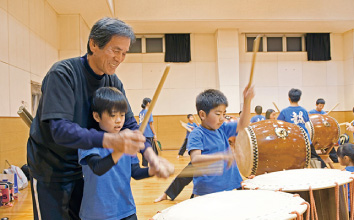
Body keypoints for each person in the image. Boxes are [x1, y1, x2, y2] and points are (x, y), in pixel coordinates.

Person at [26, 17, 173, 220]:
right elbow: (60, 131)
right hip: (51, 170)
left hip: (84, 169)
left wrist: (150, 156)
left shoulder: (113, 81)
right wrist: (112, 140)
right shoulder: (63, 74)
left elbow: (131, 125)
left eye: (124, 52)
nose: (120, 58)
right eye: (115, 50)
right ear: (94, 44)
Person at [79, 87, 157, 220]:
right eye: (113, 115)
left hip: (127, 210)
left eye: (122, 115)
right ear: (97, 116)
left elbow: (136, 172)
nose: (119, 120)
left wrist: (153, 170)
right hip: (96, 214)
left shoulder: (126, 139)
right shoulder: (89, 140)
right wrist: (122, 148)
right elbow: (98, 167)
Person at [154, 113, 236, 203]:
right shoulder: (207, 127)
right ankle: (167, 194)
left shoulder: (225, 127)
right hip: (204, 156)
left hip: (215, 165)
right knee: (185, 175)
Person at [187, 87, 254, 196]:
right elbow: (195, 159)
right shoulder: (197, 134)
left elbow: (243, 124)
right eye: (218, 114)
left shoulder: (222, 128)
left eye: (224, 114)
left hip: (227, 188)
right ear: (202, 115)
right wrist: (223, 156)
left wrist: (247, 101)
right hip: (206, 191)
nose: (222, 118)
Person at [277, 88, 327, 168]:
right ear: (299, 98)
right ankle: (324, 170)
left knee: (289, 159)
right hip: (305, 139)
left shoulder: (284, 111)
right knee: (314, 157)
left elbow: (279, 125)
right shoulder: (303, 110)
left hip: (292, 140)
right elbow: (306, 121)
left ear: (289, 98)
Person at [308, 98, 338, 162]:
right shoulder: (311, 112)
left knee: (329, 144)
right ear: (316, 105)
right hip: (315, 133)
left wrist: (326, 117)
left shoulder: (323, 113)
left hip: (323, 133)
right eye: (320, 105)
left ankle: (335, 159)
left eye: (323, 106)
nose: (321, 107)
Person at [139, 98, 158, 167]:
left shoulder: (141, 112)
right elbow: (151, 124)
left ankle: (145, 165)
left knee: (145, 150)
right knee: (154, 151)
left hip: (142, 134)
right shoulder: (148, 112)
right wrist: (154, 134)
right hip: (148, 134)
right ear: (148, 103)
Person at [336, 143, 354, 213]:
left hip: (348, 207)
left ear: (346, 158)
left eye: (338, 157)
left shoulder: (344, 174)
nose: (338, 159)